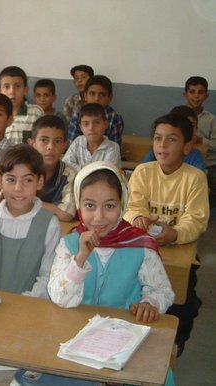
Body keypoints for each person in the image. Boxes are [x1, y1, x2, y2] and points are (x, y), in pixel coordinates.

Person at [14, 162, 174, 386]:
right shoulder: (69, 245)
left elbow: (162, 290)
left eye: (109, 206)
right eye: (89, 205)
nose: (99, 217)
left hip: (123, 339)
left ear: (122, 204)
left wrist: (150, 302)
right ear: (79, 205)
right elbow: (61, 299)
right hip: (72, 338)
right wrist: (80, 259)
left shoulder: (140, 245)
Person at [124, 113, 209, 356]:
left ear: (187, 146)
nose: (162, 145)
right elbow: (132, 208)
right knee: (136, 293)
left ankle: (176, 342)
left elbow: (196, 220)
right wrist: (138, 219)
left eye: (172, 139)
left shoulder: (195, 178)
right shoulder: (142, 171)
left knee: (185, 301)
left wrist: (175, 233)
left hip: (178, 251)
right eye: (158, 138)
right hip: (143, 247)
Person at [0, 144, 61, 298]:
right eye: (11, 179)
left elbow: (47, 276)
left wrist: (23, 303)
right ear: (0, 180)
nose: (18, 188)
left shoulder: (50, 224)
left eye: (27, 180)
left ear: (40, 182)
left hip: (30, 307)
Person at [28, 115, 76, 221]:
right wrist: (54, 208)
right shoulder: (22, 169)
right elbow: (8, 200)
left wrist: (27, 201)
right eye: (44, 140)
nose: (50, 146)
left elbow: (66, 214)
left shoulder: (70, 173)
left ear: (65, 145)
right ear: (32, 144)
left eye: (57, 141)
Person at [183, 76, 216, 207]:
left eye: (200, 92)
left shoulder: (211, 119)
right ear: (185, 94)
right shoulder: (178, 115)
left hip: (209, 163)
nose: (196, 96)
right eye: (192, 92)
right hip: (184, 160)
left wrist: (202, 140)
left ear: (206, 96)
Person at [141, 105, 205, 171]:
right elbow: (144, 170)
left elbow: (198, 175)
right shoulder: (158, 152)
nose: (188, 129)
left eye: (192, 125)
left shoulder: (195, 156)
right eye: (158, 138)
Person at [68, 75, 124, 148]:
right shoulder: (77, 115)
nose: (96, 98)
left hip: (105, 157)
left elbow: (114, 148)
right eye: (92, 93)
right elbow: (72, 145)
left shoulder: (114, 118)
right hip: (80, 156)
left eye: (102, 94)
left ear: (110, 98)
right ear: (85, 96)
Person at [62, 103, 121, 170]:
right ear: (81, 127)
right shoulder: (78, 141)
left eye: (96, 123)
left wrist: (77, 168)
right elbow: (65, 166)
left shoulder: (113, 147)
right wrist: (95, 169)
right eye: (86, 124)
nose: (91, 128)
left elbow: (105, 173)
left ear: (105, 124)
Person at [0, 66, 43, 144]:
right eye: (6, 87)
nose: (12, 91)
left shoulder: (35, 113)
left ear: (25, 90)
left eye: (17, 86)